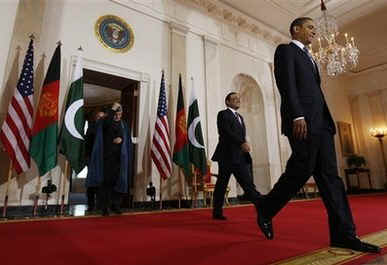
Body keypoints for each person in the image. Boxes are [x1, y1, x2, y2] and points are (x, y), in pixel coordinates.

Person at [256, 17, 380, 253]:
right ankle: (266, 208)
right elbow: (287, 85)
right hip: (302, 122)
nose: (314, 32)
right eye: (310, 27)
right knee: (301, 170)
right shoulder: (286, 50)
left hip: (322, 123)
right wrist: (296, 116)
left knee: (331, 178)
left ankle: (344, 235)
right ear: (296, 29)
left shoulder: (310, 57)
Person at [212, 92, 262, 220]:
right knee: (222, 185)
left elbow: (241, 135)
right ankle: (217, 212)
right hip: (226, 156)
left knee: (247, 183)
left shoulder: (240, 117)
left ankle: (262, 207)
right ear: (227, 102)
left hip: (239, 156)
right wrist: (242, 143)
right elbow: (226, 132)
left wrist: (244, 146)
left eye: (238, 99)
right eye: (234, 99)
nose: (237, 100)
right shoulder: (223, 114)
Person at [98, 102, 133, 216]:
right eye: (116, 114)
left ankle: (116, 205)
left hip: (121, 158)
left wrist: (121, 140)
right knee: (107, 182)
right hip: (109, 157)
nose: (118, 116)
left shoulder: (124, 125)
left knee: (119, 182)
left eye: (119, 114)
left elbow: (127, 140)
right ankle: (105, 207)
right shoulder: (107, 123)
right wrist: (112, 108)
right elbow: (105, 123)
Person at [84, 109, 105, 213]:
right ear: (95, 118)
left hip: (103, 160)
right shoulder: (91, 128)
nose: (101, 119)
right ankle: (91, 205)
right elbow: (87, 144)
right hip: (92, 159)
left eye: (102, 117)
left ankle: (100, 205)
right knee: (92, 183)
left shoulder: (106, 129)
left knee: (102, 184)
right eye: (99, 117)